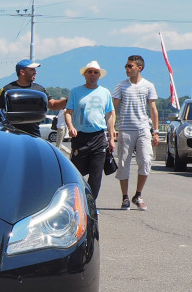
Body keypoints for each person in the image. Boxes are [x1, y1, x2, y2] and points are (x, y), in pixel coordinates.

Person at [112, 54, 159, 210]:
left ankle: (138, 195)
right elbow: (114, 109)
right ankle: (125, 197)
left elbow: (153, 108)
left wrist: (156, 131)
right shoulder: (121, 86)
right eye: (126, 66)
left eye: (130, 66)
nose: (127, 68)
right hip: (125, 128)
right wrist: (111, 128)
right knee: (124, 163)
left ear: (139, 68)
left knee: (146, 161)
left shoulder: (148, 86)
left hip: (143, 128)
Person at [63, 60, 116, 198]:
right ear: (85, 74)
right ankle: (77, 200)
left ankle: (91, 203)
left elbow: (109, 115)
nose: (93, 74)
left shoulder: (105, 92)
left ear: (99, 75)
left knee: (96, 175)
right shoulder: (76, 91)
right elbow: (68, 112)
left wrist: (111, 138)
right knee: (77, 173)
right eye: (90, 72)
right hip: (80, 137)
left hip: (98, 137)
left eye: (96, 72)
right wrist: (71, 126)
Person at [0, 59, 67, 135]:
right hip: (11, 135)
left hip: (34, 135)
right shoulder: (6, 90)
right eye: (32, 69)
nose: (35, 72)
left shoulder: (40, 89)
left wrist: (69, 100)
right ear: (22, 72)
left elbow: (53, 105)